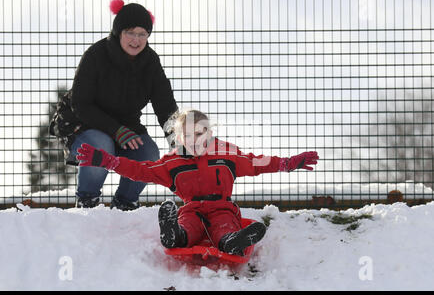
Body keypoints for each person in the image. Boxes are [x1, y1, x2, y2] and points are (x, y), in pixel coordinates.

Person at [75, 109, 319, 256]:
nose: (194, 140)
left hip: (222, 208)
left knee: (224, 224)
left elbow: (257, 162)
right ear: (179, 138)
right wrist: (108, 161)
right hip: (191, 209)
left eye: (199, 134)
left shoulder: (227, 155)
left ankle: (232, 241)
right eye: (188, 136)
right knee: (189, 226)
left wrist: (288, 163)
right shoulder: (172, 163)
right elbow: (141, 170)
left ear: (209, 134)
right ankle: (174, 235)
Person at [49, 0, 178, 210]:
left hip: (126, 128)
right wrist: (116, 130)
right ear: (118, 32)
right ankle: (87, 203)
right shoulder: (95, 55)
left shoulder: (151, 62)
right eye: (130, 32)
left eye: (142, 34)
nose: (136, 40)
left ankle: (124, 205)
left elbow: (166, 106)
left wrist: (179, 142)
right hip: (85, 125)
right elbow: (80, 104)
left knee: (148, 154)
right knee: (101, 146)